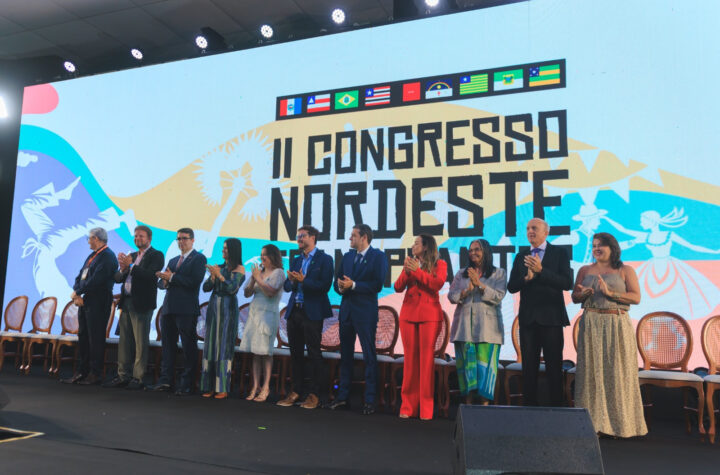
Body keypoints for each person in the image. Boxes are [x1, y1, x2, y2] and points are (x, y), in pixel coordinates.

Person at [572, 232, 647, 437]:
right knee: (591, 374)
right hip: (591, 324)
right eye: (594, 245)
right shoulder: (585, 270)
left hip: (616, 324)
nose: (596, 249)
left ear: (612, 248)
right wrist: (582, 294)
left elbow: (636, 297)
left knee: (617, 372)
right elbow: (574, 297)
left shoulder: (625, 270)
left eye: (601, 245)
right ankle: (591, 426)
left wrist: (610, 293)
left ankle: (619, 426)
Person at [507, 218, 573, 407]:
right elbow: (511, 287)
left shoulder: (559, 253)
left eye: (534, 228)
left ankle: (556, 409)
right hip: (528, 319)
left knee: (554, 366)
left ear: (546, 232)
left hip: (552, 318)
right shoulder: (521, 256)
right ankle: (529, 409)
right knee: (529, 367)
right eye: (528, 228)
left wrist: (541, 271)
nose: (530, 231)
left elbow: (567, 283)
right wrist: (526, 279)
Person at [329, 224, 388, 415]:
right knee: (345, 355)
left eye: (353, 235)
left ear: (364, 237)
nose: (350, 238)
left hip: (365, 313)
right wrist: (340, 287)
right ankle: (342, 397)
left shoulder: (378, 256)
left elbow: (377, 284)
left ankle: (370, 400)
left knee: (369, 356)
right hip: (347, 311)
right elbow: (337, 282)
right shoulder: (347, 257)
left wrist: (353, 285)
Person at [276, 226, 334, 410]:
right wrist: (292, 281)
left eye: (302, 236)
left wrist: (304, 281)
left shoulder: (325, 259)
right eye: (298, 236)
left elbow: (324, 286)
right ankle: (296, 391)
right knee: (295, 354)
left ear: (313, 237)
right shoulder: (297, 260)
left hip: (312, 312)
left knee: (314, 353)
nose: (299, 239)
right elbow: (287, 287)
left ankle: (315, 394)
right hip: (295, 311)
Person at [103, 225, 164, 390]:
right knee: (124, 342)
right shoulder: (132, 256)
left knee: (140, 342)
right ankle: (123, 375)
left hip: (142, 304)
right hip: (126, 302)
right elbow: (117, 278)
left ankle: (138, 378)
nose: (137, 239)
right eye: (136, 236)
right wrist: (123, 269)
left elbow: (150, 276)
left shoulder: (156, 255)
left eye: (141, 236)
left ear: (149, 238)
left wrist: (131, 266)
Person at [394, 234, 447, 420]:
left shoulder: (440, 264)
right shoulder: (411, 263)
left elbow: (436, 284)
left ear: (425, 246)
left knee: (426, 362)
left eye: (416, 243)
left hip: (429, 316)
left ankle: (426, 409)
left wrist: (416, 271)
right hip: (408, 315)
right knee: (410, 362)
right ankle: (407, 407)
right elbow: (398, 287)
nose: (413, 245)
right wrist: (407, 271)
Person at [148, 228, 207, 395]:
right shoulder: (173, 260)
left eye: (184, 238)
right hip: (169, 308)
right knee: (168, 346)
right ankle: (166, 381)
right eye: (179, 239)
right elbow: (161, 283)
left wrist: (172, 278)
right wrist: (166, 281)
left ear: (192, 240)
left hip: (186, 309)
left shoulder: (199, 258)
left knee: (188, 347)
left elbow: (194, 281)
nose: (181, 242)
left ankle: (187, 384)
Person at [447, 239, 506, 405]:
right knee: (467, 372)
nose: (473, 253)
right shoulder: (461, 273)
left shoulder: (499, 273)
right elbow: (451, 296)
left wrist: (479, 284)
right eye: (471, 250)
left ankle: (484, 410)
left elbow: (499, 296)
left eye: (477, 249)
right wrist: (466, 291)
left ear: (486, 251)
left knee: (484, 373)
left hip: (488, 330)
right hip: (464, 329)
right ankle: (467, 409)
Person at [62, 227, 118, 385]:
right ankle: (82, 371)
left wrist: (79, 292)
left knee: (95, 338)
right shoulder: (93, 255)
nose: (88, 242)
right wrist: (77, 293)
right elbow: (80, 275)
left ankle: (95, 374)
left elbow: (97, 280)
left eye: (90, 238)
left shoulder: (108, 256)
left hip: (99, 301)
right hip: (85, 300)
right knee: (84, 336)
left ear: (96, 239)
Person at [200, 238, 246, 399]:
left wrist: (219, 275)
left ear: (233, 250)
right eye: (223, 248)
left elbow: (232, 288)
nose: (223, 250)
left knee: (224, 346)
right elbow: (206, 288)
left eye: (226, 248)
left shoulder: (240, 269)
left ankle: (222, 388)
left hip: (227, 310)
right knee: (210, 345)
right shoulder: (218, 267)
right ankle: (208, 386)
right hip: (214, 308)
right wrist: (213, 277)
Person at [241, 244, 285, 402]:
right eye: (261, 254)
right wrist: (253, 279)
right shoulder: (258, 272)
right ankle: (255, 386)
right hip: (254, 314)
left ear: (273, 256)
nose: (262, 257)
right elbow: (247, 293)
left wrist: (258, 278)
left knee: (265, 353)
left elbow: (270, 292)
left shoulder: (279, 273)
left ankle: (266, 387)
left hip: (268, 315)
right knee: (255, 352)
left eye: (265, 254)